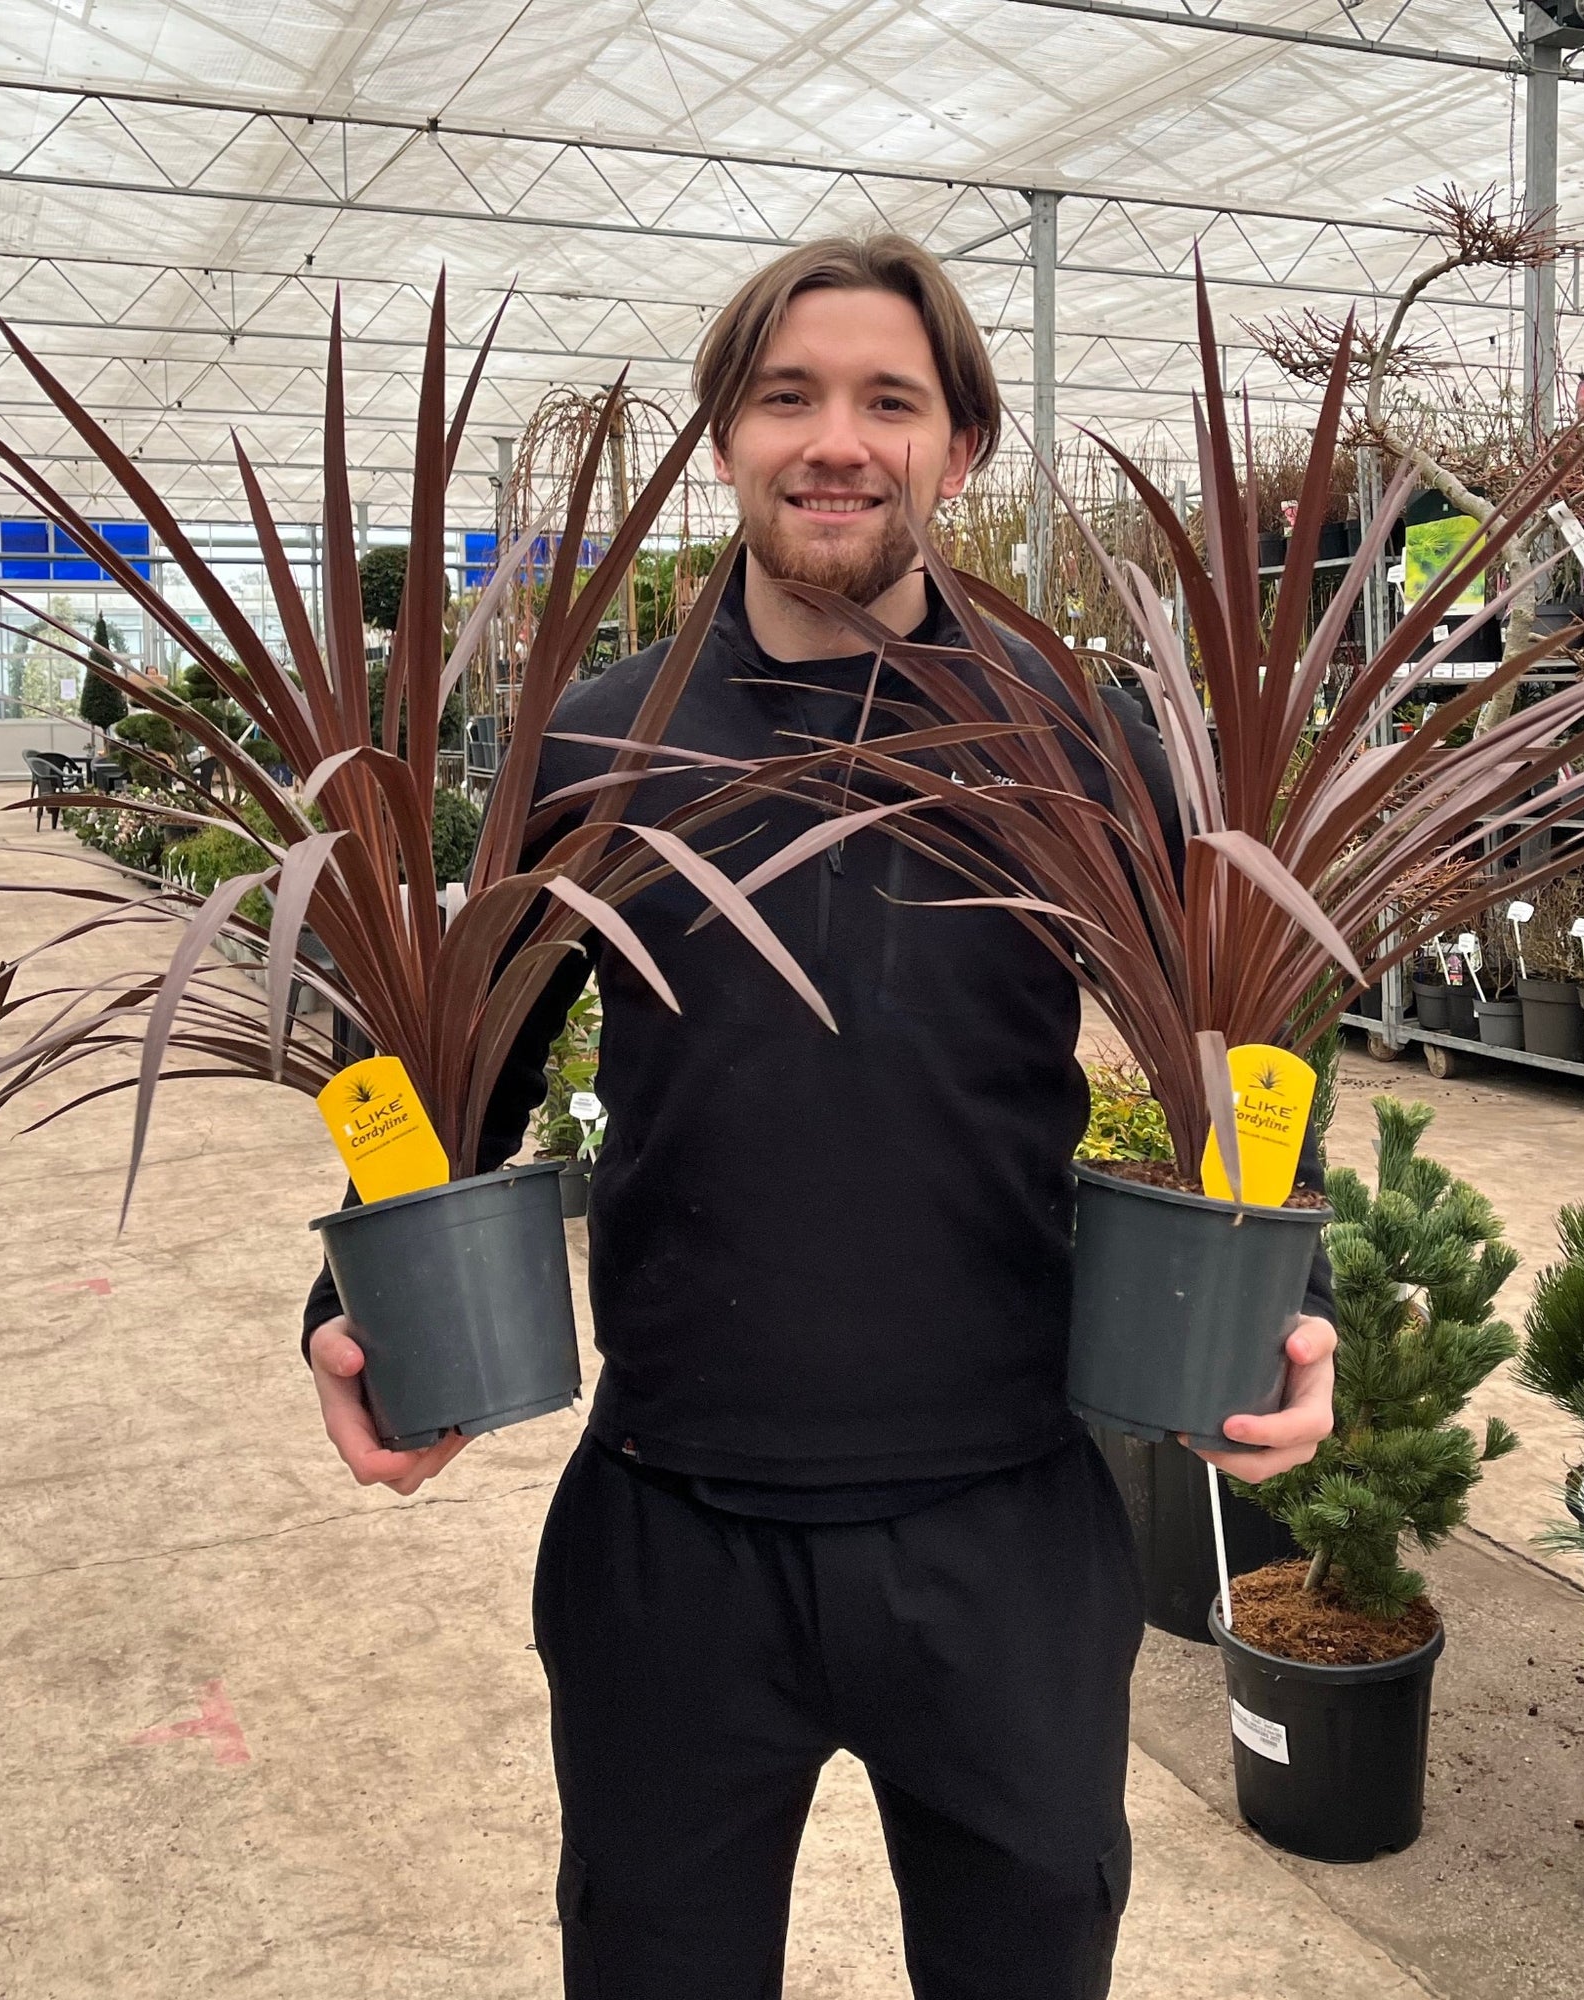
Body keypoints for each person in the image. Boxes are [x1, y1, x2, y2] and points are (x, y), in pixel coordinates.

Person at [302, 233, 1338, 2000]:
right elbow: (459, 1073)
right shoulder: (597, 743)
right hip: (672, 1531)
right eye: (788, 398)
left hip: (1006, 1522)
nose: (836, 441)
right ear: (724, 437)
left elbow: (1231, 1035)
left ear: (962, 448)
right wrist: (352, 1313)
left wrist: (1285, 1299)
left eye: (889, 402)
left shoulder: (1074, 734)